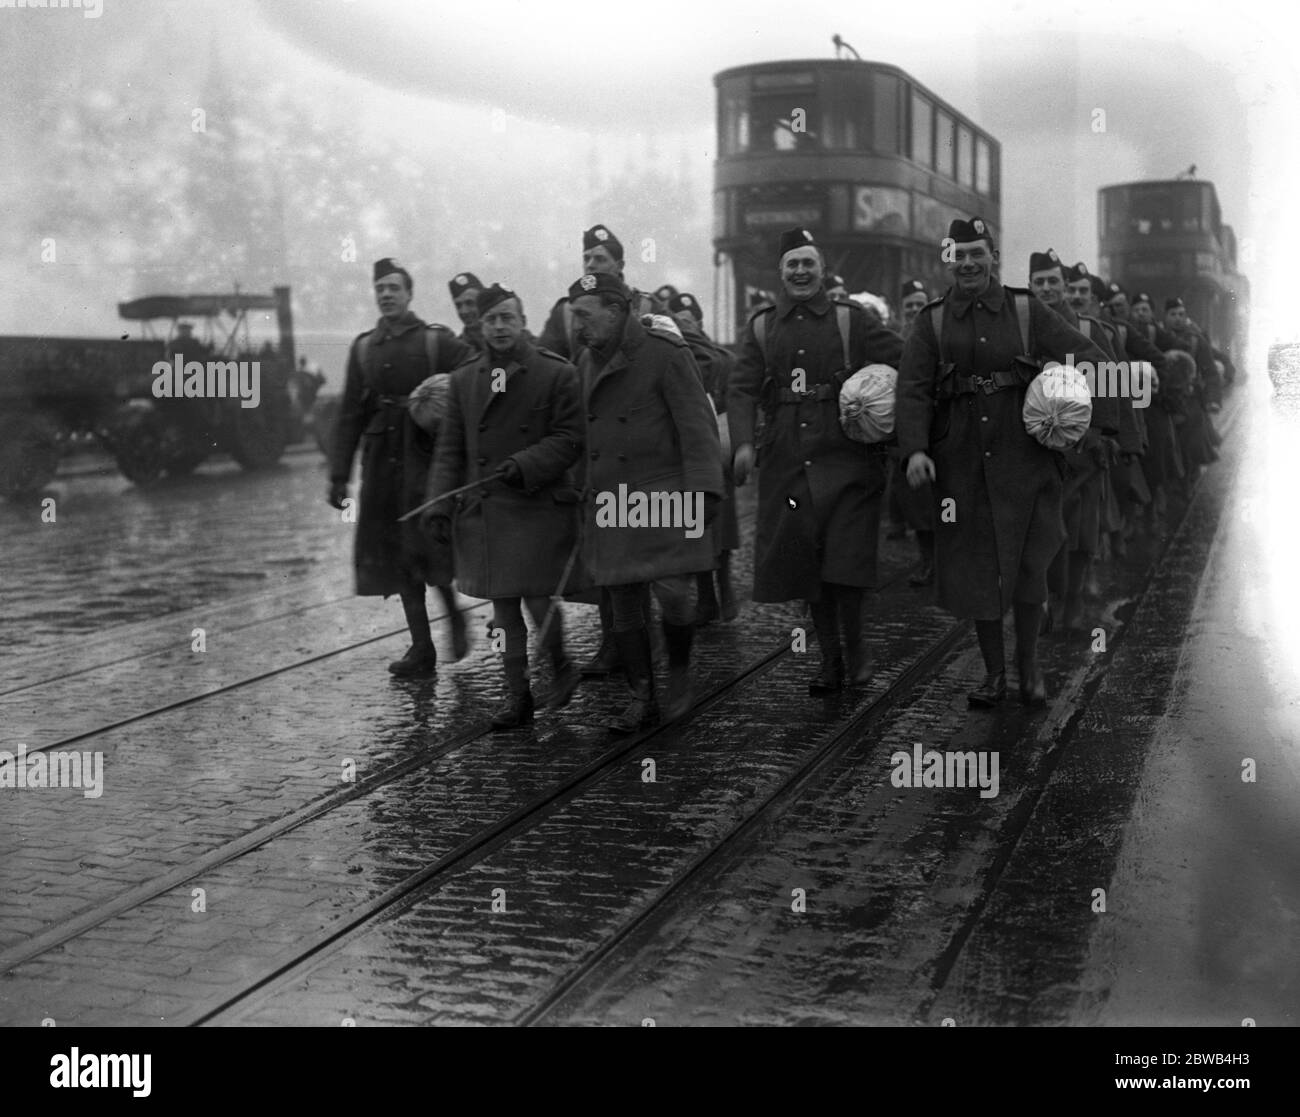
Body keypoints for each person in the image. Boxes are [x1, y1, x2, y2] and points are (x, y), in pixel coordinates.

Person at [895, 218, 1109, 707]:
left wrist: (1084, 425)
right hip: (961, 466)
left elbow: (1090, 358)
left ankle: (1029, 667)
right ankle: (994, 675)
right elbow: (912, 388)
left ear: (993, 256)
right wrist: (915, 450)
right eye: (959, 255)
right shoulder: (931, 321)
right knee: (978, 572)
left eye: (977, 253)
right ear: (949, 261)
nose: (968, 263)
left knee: (1031, 569)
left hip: (1027, 463)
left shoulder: (1026, 310)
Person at [728, 227, 904, 693]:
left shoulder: (853, 320)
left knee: (846, 561)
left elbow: (905, 360)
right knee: (808, 562)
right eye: (793, 265)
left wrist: (882, 401)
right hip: (789, 469)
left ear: (822, 269)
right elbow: (742, 387)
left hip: (849, 460)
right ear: (781, 273)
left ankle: (858, 647)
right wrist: (744, 443)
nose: (801, 272)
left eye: (809, 263)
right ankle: (831, 660)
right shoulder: (763, 326)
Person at [423, 285, 584, 728]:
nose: (498, 327)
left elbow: (571, 438)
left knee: (536, 599)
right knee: (503, 607)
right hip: (487, 510)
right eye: (491, 320)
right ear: (479, 325)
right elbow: (450, 449)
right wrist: (438, 505)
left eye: (507, 318)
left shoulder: (556, 374)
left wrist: (524, 463)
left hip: (538, 504)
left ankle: (561, 664)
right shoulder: (464, 380)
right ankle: (518, 697)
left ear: (522, 321)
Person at [569, 272, 723, 733]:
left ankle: (678, 674)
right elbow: (582, 436)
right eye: (574, 315)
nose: (577, 324)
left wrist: (705, 491)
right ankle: (642, 695)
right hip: (612, 501)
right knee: (622, 603)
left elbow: (698, 427)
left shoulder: (666, 354)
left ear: (615, 312)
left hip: (666, 495)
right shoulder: (584, 364)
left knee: (675, 597)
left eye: (584, 314)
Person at [328, 258, 472, 676]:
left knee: (429, 542)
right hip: (380, 464)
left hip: (424, 457)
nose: (386, 294)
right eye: (380, 289)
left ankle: (454, 614)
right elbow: (349, 414)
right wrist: (339, 475)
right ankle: (422, 647)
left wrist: (439, 404)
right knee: (396, 554)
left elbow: (472, 372)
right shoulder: (363, 347)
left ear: (409, 294)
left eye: (394, 287)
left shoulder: (434, 341)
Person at [667, 290, 740, 624]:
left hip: (716, 454)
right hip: (688, 457)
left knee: (720, 530)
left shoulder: (720, 358)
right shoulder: (671, 355)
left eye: (688, 321)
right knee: (696, 529)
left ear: (697, 322)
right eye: (678, 321)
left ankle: (724, 591)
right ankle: (708, 597)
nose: (683, 326)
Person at [448, 272, 485, 352]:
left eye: (470, 303)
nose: (464, 311)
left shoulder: (504, 338)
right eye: (458, 306)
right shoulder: (457, 350)